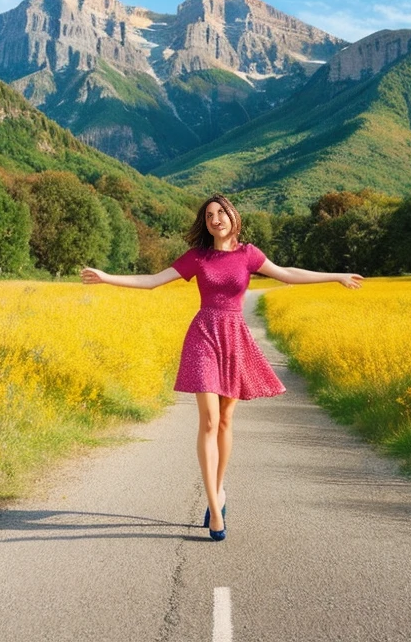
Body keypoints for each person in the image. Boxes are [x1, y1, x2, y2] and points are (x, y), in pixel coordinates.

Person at [80, 194, 363, 541]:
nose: (216, 219)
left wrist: (335, 276)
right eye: (209, 215)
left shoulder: (249, 254)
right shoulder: (198, 257)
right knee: (209, 420)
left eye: (221, 213)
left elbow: (286, 274)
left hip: (235, 338)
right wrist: (107, 277)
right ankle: (215, 509)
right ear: (206, 223)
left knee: (227, 420)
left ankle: (219, 490)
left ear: (233, 217)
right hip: (203, 337)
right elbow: (153, 281)